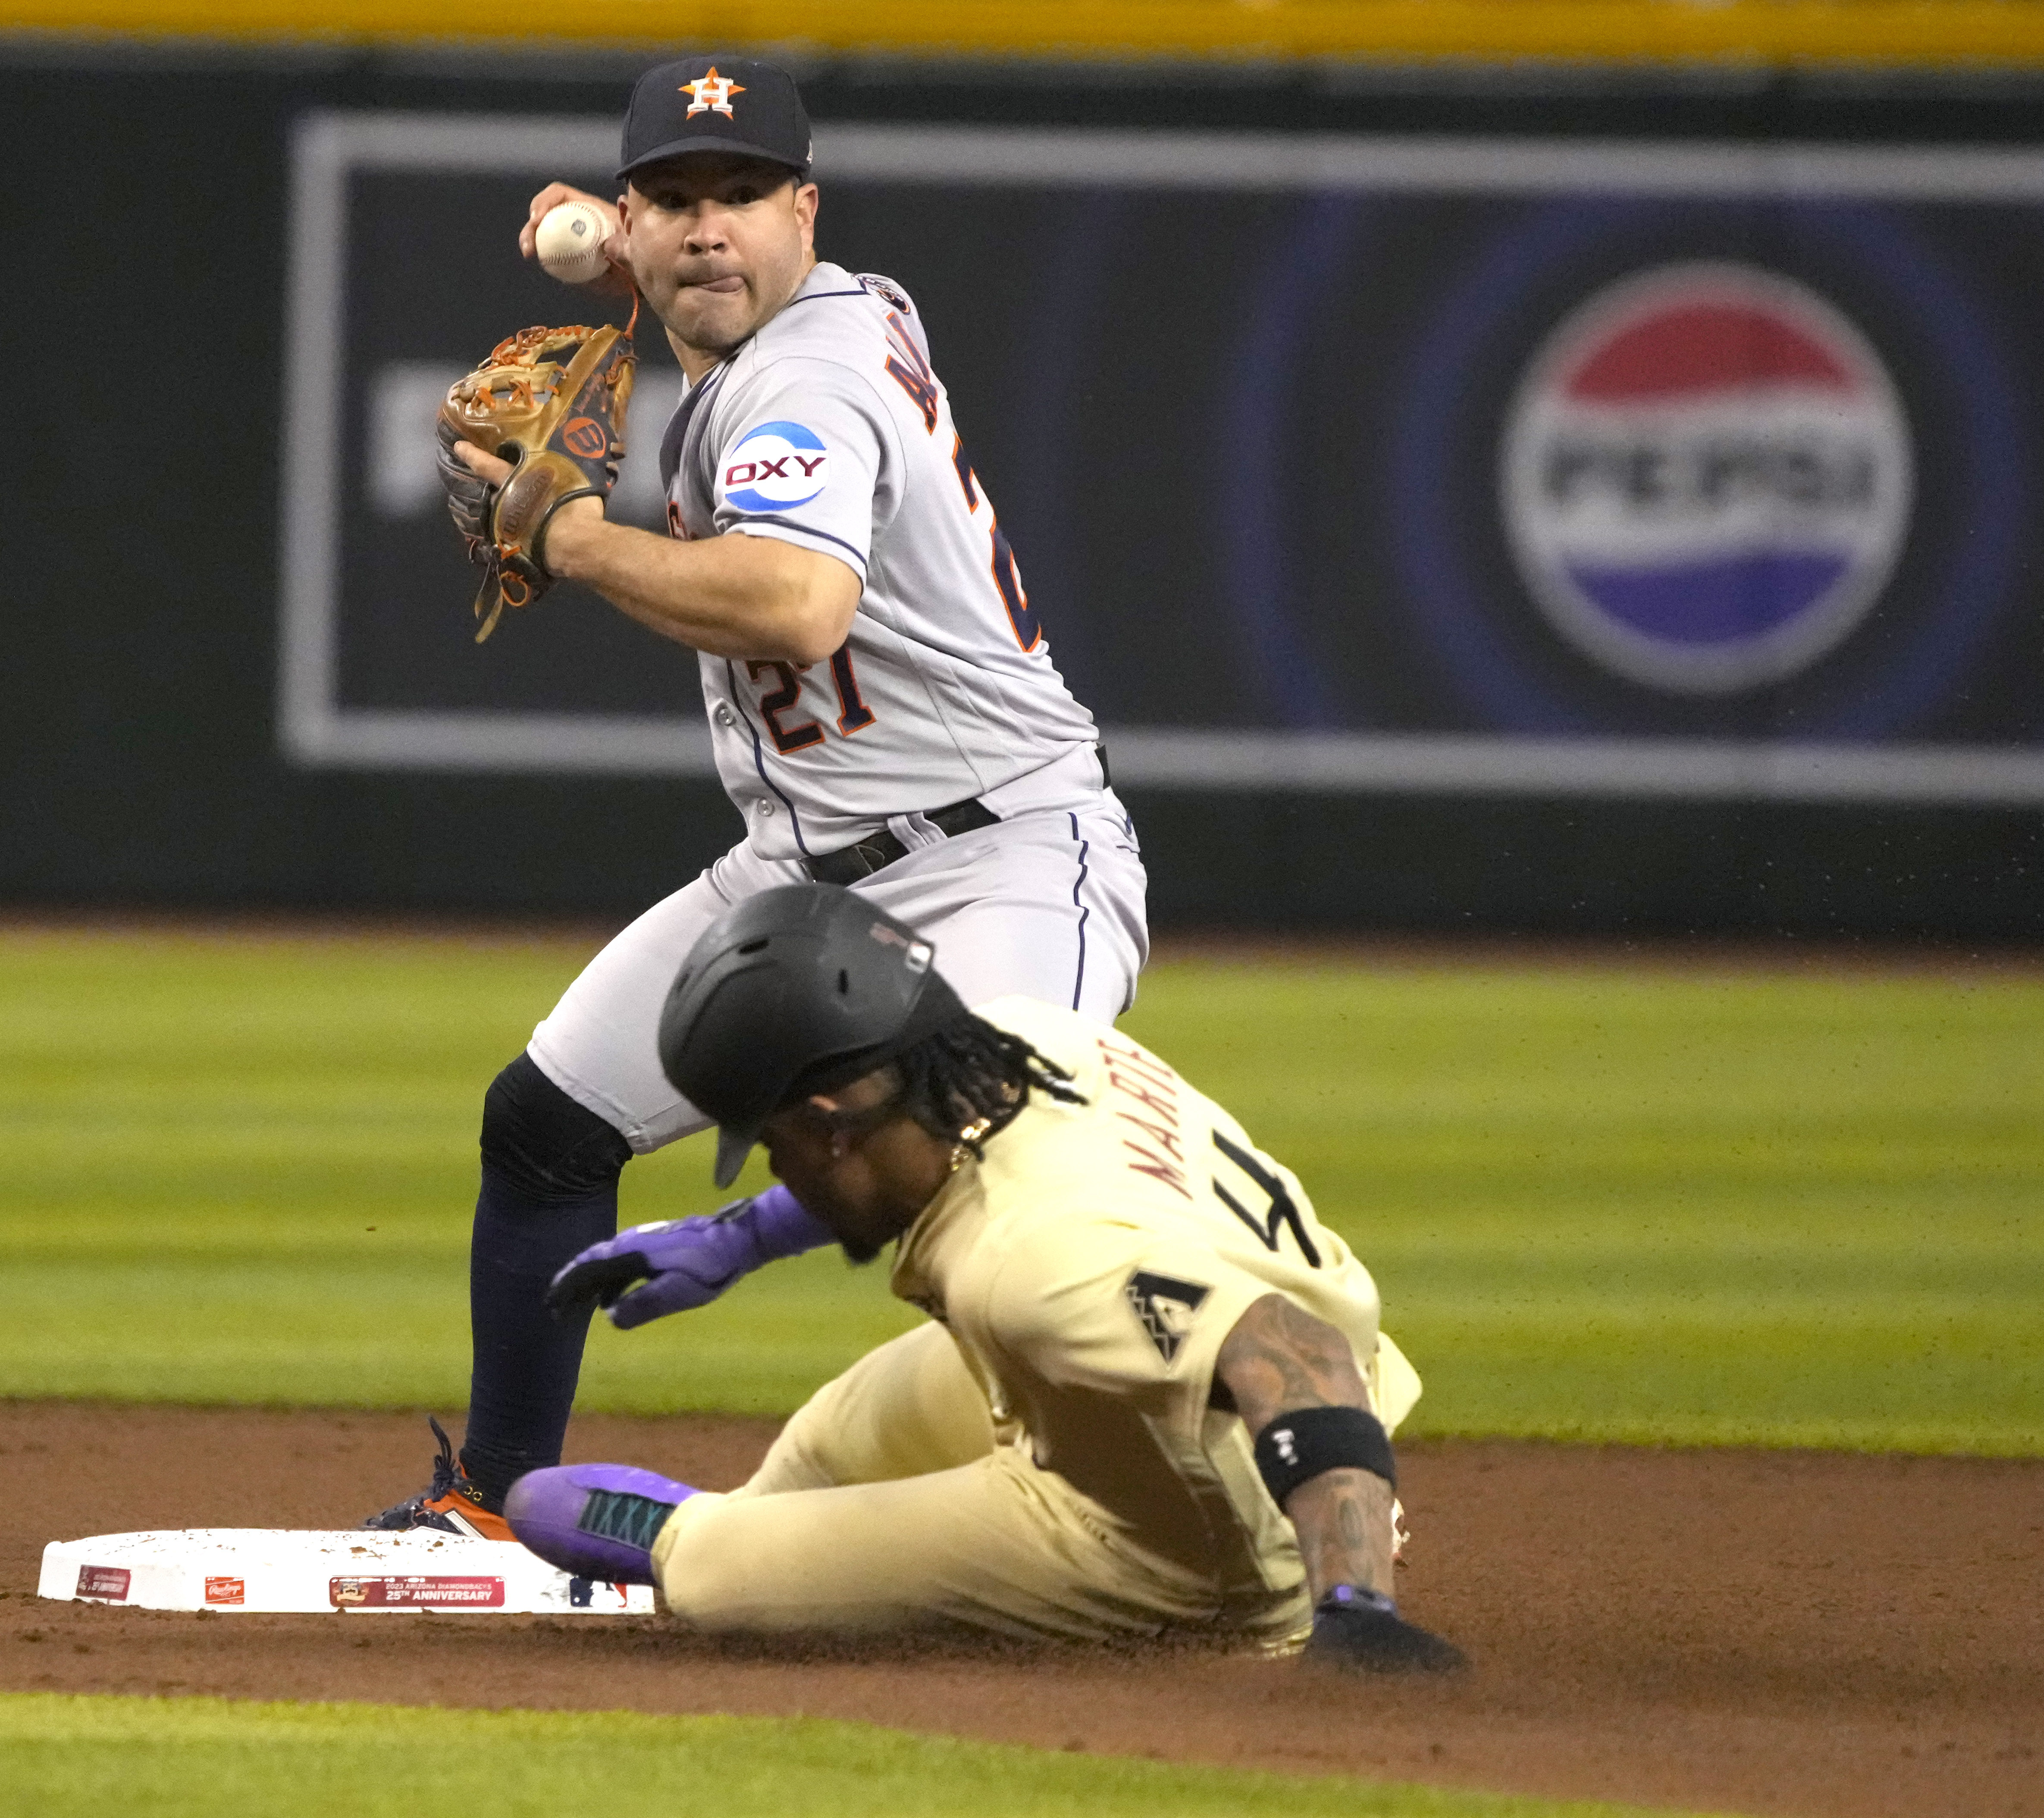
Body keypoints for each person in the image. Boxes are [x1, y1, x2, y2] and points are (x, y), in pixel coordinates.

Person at [368, 56, 1148, 1537]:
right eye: (673, 199)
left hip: (999, 855)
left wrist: (579, 539)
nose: (707, 229)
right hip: (804, 867)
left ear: (805, 209)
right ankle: (491, 1499)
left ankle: (1148, 1501)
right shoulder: (850, 302)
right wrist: (604, 240)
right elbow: (699, 263)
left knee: (988, 1174)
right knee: (547, 1121)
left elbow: (795, 606)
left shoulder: (805, 375)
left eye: (741, 197)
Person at [503, 884, 1467, 1674]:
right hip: (1120, 1382)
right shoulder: (1024, 1039)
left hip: (1186, 1537)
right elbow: (913, 1167)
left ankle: (698, 1539)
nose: (771, 1167)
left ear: (834, 1117)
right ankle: (781, 1523)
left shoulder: (1036, 1259)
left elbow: (1286, 1347)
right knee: (831, 1442)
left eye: (773, 1141)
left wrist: (1355, 1604)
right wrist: (737, 1239)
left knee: (710, 1572)